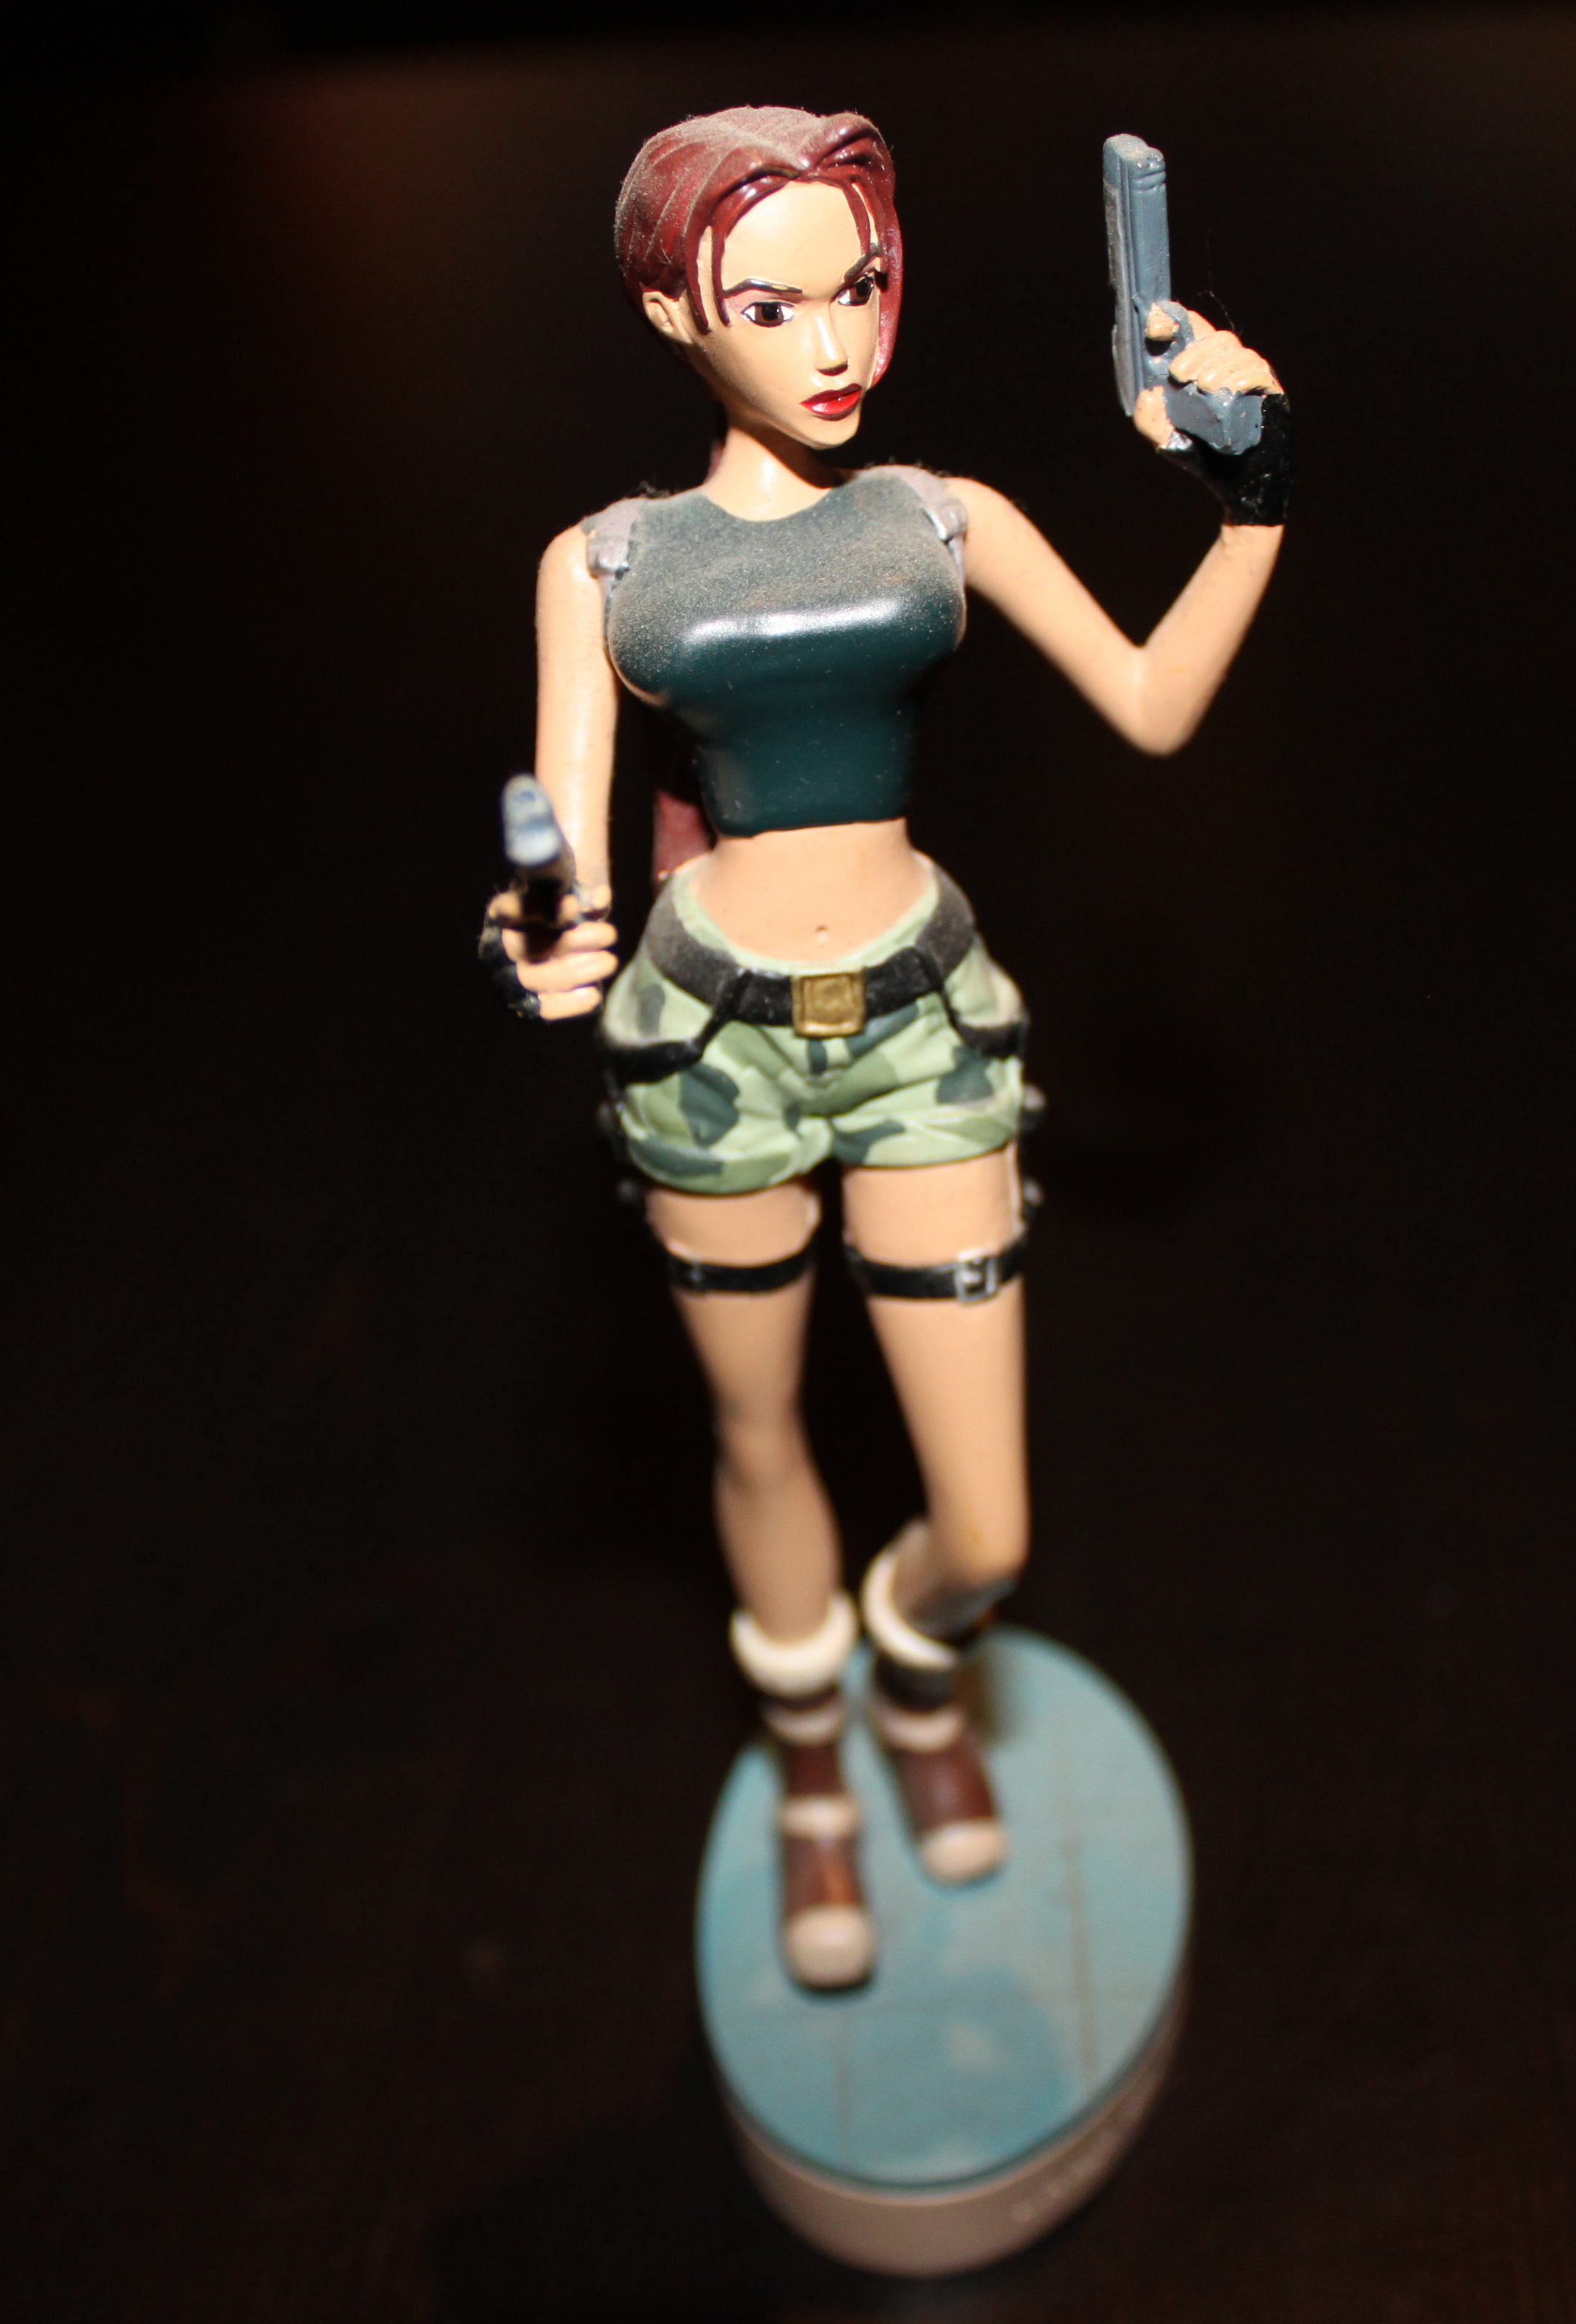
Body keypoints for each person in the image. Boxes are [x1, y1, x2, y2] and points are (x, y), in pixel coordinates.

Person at [489, 106, 1286, 1989]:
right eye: (772, 306)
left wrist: (1254, 501)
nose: (834, 341)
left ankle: (919, 1678)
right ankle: (812, 1767)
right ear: (673, 314)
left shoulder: (945, 517)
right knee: (758, 1431)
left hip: (921, 1017)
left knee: (986, 1523)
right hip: (711, 1043)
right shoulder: (603, 566)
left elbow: (1151, 702)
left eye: (857, 288)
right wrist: (543, 936)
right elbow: (562, 846)